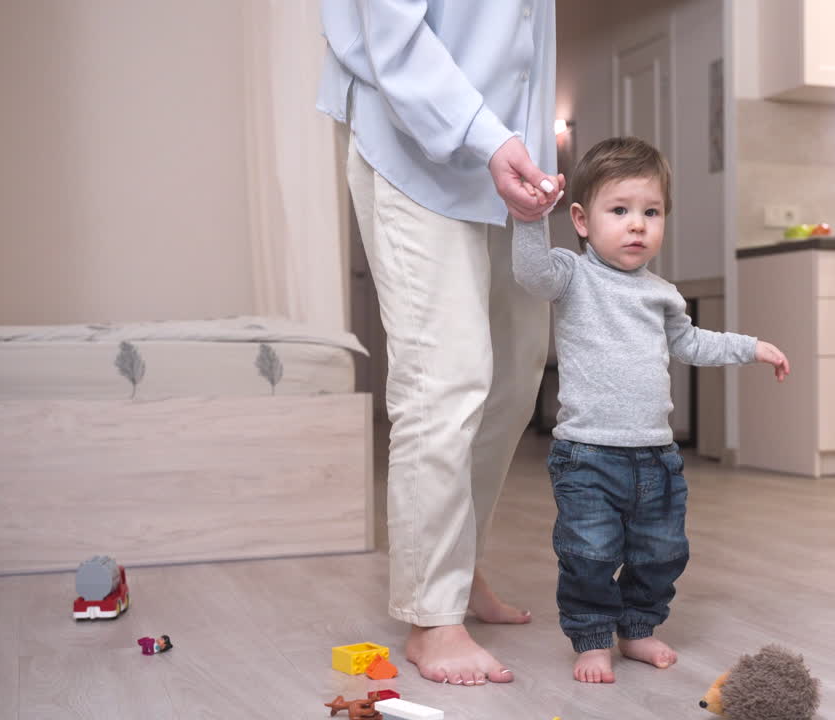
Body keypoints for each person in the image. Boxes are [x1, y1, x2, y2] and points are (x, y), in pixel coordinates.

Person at [317, 0, 564, 687]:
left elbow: (521, 39)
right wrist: (487, 137)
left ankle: (461, 565)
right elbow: (389, 31)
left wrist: (526, 150)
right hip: (411, 142)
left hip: (508, 159)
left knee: (516, 374)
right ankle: (432, 616)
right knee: (444, 376)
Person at [512, 137, 790, 683]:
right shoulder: (572, 275)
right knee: (588, 553)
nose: (637, 224)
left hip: (657, 457)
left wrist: (749, 346)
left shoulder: (662, 293)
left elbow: (690, 343)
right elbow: (531, 275)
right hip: (587, 453)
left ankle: (637, 628)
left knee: (661, 552)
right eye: (620, 211)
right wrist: (527, 219)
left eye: (651, 212)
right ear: (582, 219)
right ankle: (592, 637)